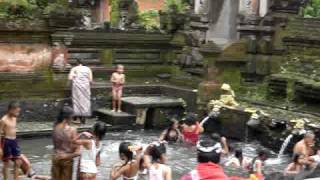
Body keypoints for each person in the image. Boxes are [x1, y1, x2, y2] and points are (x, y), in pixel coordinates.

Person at [51, 106, 80, 180]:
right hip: (66, 161)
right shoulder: (72, 130)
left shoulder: (55, 127)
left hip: (55, 158)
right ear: (69, 117)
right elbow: (77, 152)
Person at [0, 102, 22, 180]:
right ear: (11, 110)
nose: (18, 113)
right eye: (17, 111)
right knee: (6, 163)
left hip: (14, 141)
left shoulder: (15, 118)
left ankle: (16, 179)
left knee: (18, 162)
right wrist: (0, 148)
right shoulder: (3, 120)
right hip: (6, 141)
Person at [69, 58, 93, 124]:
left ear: (77, 63)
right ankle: (84, 118)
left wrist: (75, 76)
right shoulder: (88, 69)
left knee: (77, 101)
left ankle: (78, 119)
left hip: (77, 87)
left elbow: (70, 78)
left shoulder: (74, 68)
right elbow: (90, 80)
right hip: (86, 87)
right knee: (85, 101)